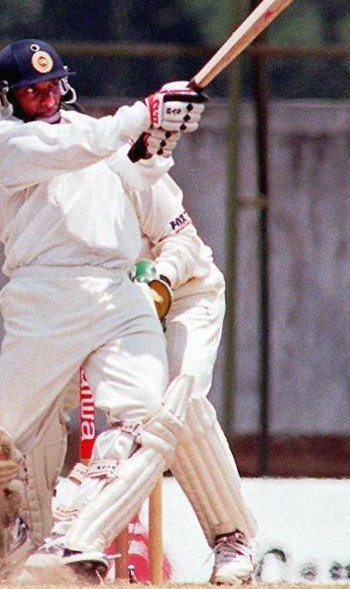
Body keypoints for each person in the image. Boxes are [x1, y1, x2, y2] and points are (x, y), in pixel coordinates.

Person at [0, 39, 207, 584]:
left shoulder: (92, 133)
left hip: (119, 292)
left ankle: (83, 534)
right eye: (32, 92)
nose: (46, 99)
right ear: (7, 99)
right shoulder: (1, 142)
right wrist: (145, 113)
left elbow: (136, 176)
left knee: (146, 421)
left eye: (52, 87)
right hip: (44, 298)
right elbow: (81, 146)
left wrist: (153, 147)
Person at [127, 174, 258, 584]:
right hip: (118, 309)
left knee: (178, 399)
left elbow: (182, 241)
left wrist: (160, 280)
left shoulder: (125, 167)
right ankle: (10, 541)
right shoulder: (41, 179)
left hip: (185, 292)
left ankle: (232, 536)